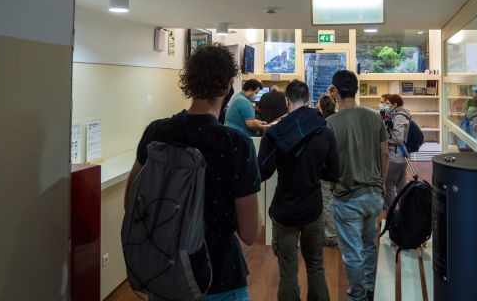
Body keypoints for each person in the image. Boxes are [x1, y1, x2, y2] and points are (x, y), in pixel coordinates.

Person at [125, 45, 260, 301]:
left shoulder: (156, 132)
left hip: (165, 274)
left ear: (189, 82)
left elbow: (131, 202)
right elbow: (250, 233)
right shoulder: (236, 144)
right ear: (228, 85)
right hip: (219, 276)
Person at [258, 80, 340, 301]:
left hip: (284, 211)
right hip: (313, 209)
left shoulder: (275, 133)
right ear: (308, 100)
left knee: (288, 270)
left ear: (287, 101)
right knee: (315, 266)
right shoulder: (324, 130)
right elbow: (334, 173)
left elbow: (262, 172)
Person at [326, 70, 389, 301]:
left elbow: (327, 163)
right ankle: (371, 289)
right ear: (356, 89)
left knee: (352, 253)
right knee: (369, 246)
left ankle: (358, 295)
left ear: (335, 92)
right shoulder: (374, 117)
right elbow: (384, 153)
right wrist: (381, 184)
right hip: (373, 195)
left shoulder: (330, 123)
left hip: (347, 197)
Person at [382, 94, 411, 209]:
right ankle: (404, 211)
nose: (386, 106)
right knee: (401, 185)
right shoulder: (399, 114)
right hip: (401, 155)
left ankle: (392, 212)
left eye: (388, 103)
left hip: (395, 155)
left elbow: (398, 138)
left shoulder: (399, 116)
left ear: (395, 104)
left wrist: (385, 137)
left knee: (389, 185)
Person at [317, 95, 338, 247]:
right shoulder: (338, 121)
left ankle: (331, 235)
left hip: (326, 170)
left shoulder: (324, 124)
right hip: (338, 168)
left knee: (326, 201)